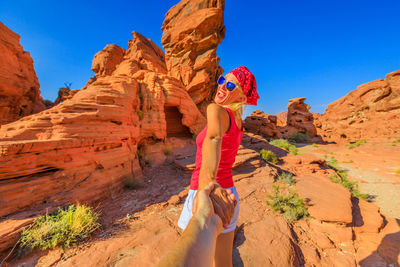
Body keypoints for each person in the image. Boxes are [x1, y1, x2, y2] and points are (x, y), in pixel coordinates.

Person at [177, 66, 259, 267]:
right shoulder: (238, 121)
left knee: (189, 260)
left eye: (231, 85)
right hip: (229, 195)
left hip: (207, 191)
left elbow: (213, 138)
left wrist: (207, 187)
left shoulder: (217, 110)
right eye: (222, 80)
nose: (222, 86)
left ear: (240, 95)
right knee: (222, 263)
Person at [157, 183, 236, 267]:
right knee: (223, 262)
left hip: (202, 192)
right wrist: (207, 219)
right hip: (225, 195)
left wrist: (204, 216)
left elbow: (206, 172)